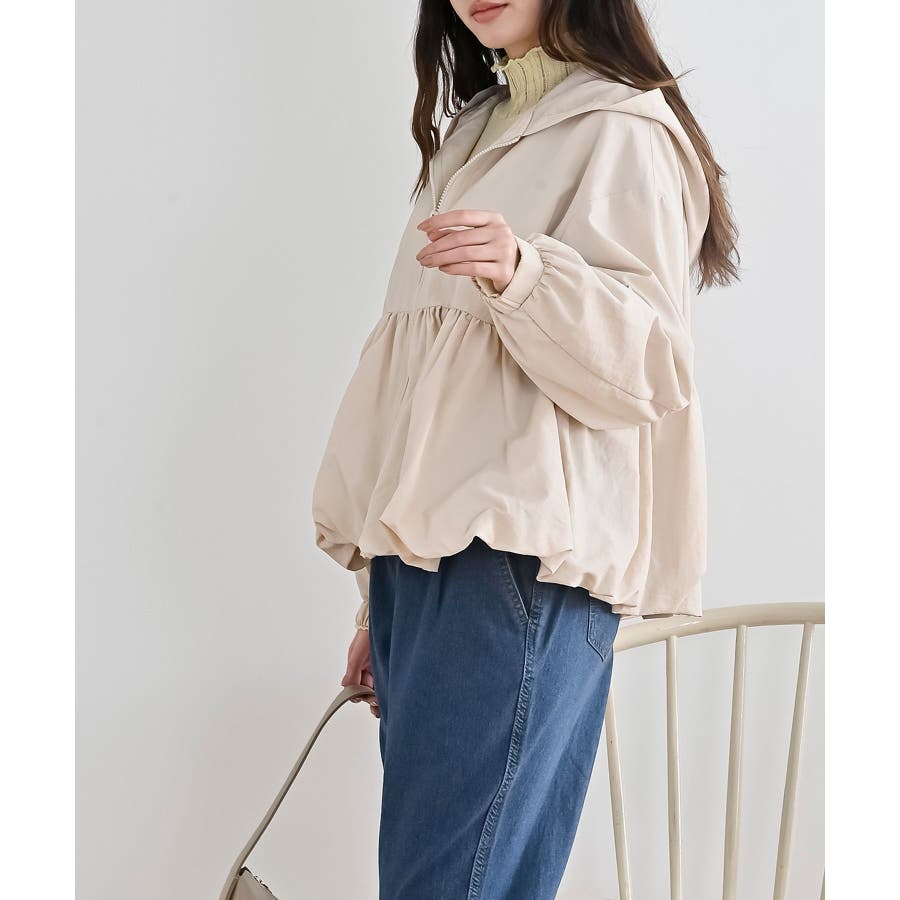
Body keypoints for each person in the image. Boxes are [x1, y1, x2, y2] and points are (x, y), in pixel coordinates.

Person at [313, 0, 738, 896]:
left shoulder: (620, 126)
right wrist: (378, 601)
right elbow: (423, 385)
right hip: (430, 566)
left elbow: (649, 366)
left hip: (516, 562)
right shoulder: (475, 129)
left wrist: (525, 274)